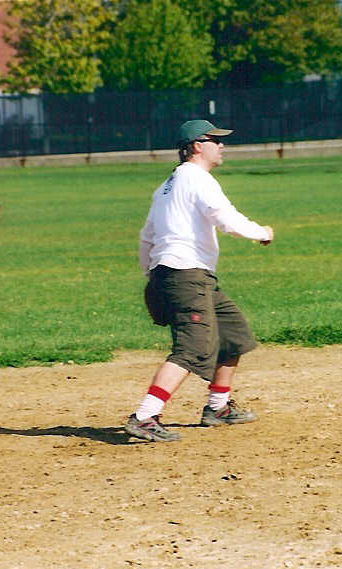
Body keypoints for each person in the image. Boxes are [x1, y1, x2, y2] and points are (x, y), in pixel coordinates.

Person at [125, 119, 274, 442]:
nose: (221, 146)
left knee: (233, 334)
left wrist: (153, 276)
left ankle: (218, 407)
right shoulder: (195, 178)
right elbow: (224, 217)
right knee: (192, 349)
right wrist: (261, 233)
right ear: (196, 146)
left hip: (188, 275)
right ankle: (145, 415)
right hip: (185, 274)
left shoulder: (167, 186)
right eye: (215, 140)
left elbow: (147, 237)